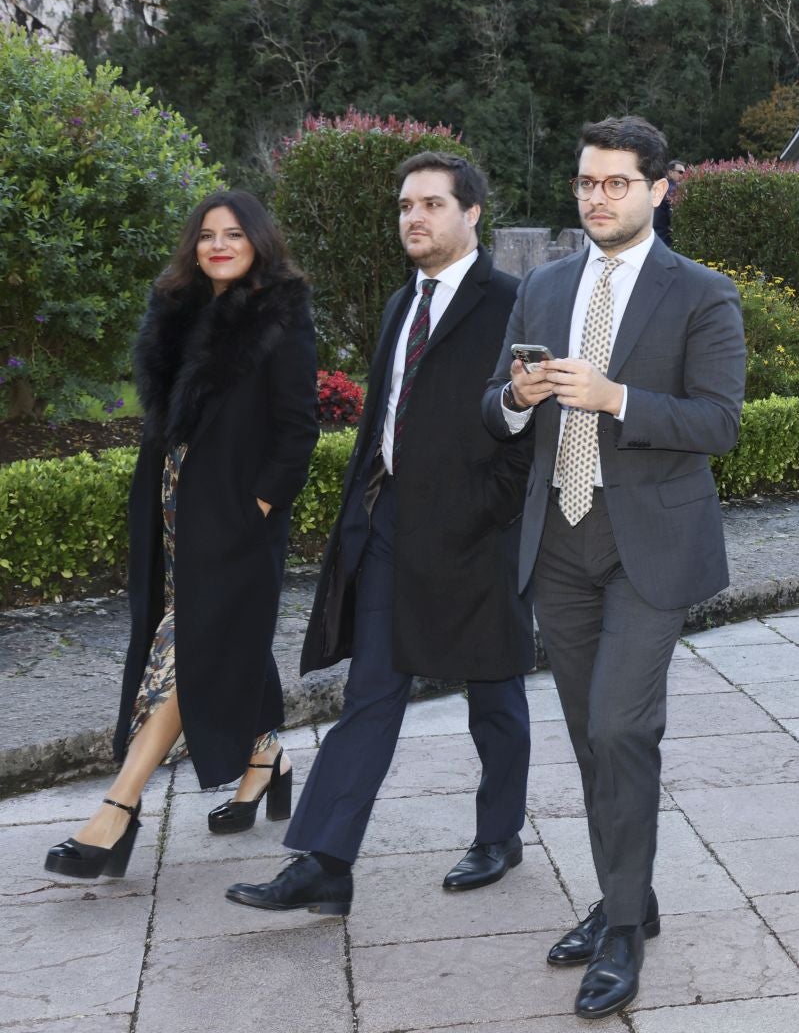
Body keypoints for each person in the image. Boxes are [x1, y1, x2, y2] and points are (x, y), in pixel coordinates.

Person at [483, 116, 746, 1020]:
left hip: (649, 548)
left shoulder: (703, 294)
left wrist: (616, 397)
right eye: (587, 183)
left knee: (623, 730)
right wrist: (515, 399)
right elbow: (493, 404)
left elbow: (718, 423)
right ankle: (627, 894)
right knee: (593, 736)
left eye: (617, 184)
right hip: (555, 544)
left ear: (659, 188)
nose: (598, 197)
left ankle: (623, 929)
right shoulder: (543, 287)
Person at [226, 153, 534, 917]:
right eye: (404, 205)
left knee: (492, 691)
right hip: (391, 524)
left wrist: (490, 510)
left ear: (472, 215)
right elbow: (387, 416)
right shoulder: (403, 303)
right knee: (370, 691)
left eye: (432, 203)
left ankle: (499, 833)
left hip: (477, 532)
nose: (413, 218)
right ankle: (325, 858)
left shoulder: (513, 304)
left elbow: (532, 424)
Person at [45, 192, 317, 882]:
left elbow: (298, 428)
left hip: (235, 515)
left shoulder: (280, 313)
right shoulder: (175, 309)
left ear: (258, 241)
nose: (218, 245)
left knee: (188, 646)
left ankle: (118, 810)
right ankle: (268, 759)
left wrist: (255, 507)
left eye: (233, 234)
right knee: (226, 635)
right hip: (171, 506)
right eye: (206, 235)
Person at [656, 159, 686, 247]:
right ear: (670, 172)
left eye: (684, 172)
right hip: (666, 239)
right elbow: (675, 217)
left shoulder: (660, 187)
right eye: (680, 172)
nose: (683, 175)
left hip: (657, 235)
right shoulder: (672, 189)